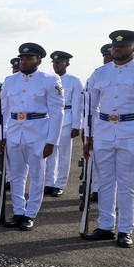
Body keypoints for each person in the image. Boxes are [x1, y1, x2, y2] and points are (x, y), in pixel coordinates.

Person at [83, 30, 134, 247]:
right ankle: (105, 226)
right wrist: (88, 137)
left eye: (122, 46)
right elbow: (89, 109)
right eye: (114, 46)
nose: (116, 49)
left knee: (127, 184)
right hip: (104, 131)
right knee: (106, 181)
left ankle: (126, 229)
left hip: (133, 131)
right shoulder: (100, 73)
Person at [0, 43, 64, 231]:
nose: (24, 61)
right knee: (16, 175)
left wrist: (52, 141)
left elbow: (57, 112)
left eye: (29, 58)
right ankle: (18, 211)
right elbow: (4, 111)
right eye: (22, 58)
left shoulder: (50, 79)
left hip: (38, 133)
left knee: (37, 176)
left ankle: (30, 213)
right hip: (14, 133)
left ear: (39, 60)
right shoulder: (10, 80)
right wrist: (3, 136)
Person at [43, 51, 84, 197]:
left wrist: (76, 125)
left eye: (60, 62)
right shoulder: (47, 79)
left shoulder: (74, 81)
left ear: (67, 63)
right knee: (49, 153)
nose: (56, 65)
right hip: (49, 119)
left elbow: (78, 105)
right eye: (54, 63)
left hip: (67, 119)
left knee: (63, 155)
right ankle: (48, 182)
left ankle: (59, 184)